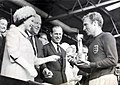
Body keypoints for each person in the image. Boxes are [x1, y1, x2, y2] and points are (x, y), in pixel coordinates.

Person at [1, 6, 60, 81]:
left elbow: (34, 60)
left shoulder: (26, 40)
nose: (32, 24)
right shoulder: (13, 32)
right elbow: (14, 55)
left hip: (25, 79)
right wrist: (30, 69)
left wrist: (49, 58)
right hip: (13, 78)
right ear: (24, 20)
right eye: (31, 21)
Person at [71, 12, 118, 85]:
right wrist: (76, 63)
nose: (84, 28)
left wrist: (91, 64)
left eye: (86, 24)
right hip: (93, 80)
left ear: (95, 23)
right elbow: (90, 69)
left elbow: (113, 60)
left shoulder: (106, 36)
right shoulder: (91, 44)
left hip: (106, 79)